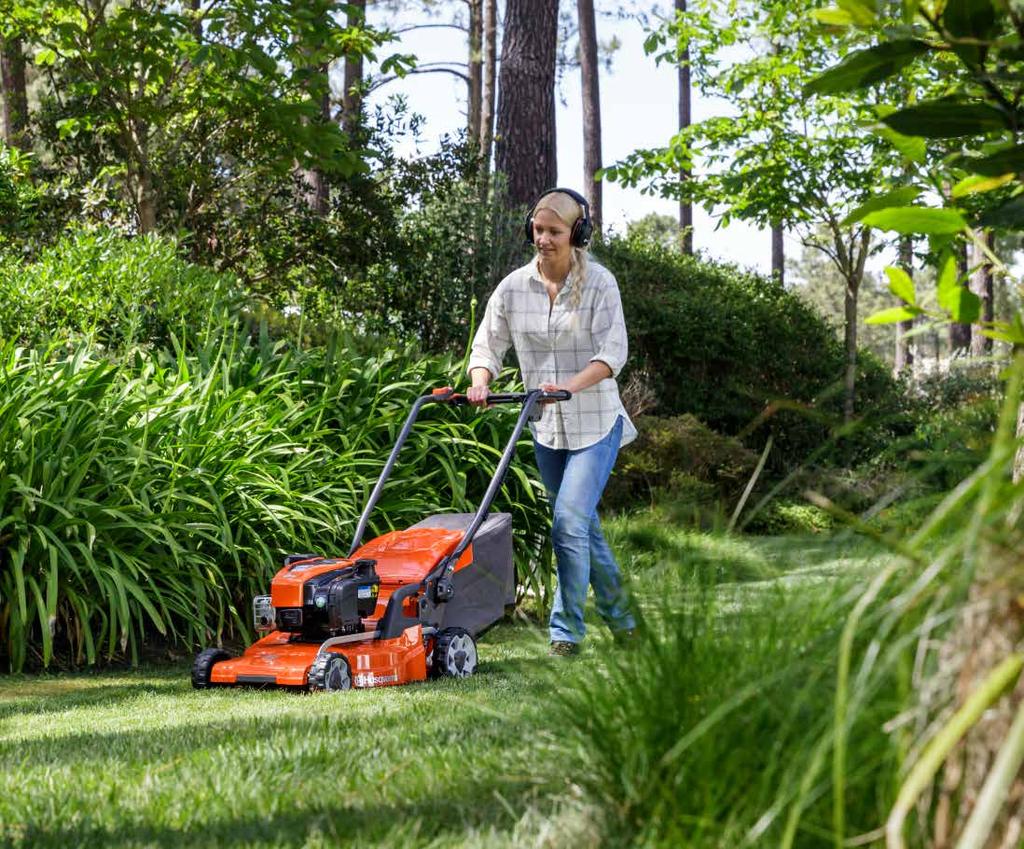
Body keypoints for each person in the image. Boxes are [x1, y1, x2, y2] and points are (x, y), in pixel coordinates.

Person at [466, 187, 637, 656]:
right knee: (581, 526)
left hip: (596, 423)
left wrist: (569, 385)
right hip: (546, 427)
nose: (543, 239)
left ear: (577, 234)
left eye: (554, 231)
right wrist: (480, 380)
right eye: (538, 229)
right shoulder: (512, 288)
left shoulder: (600, 284)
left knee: (567, 523)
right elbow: (487, 345)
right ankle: (624, 622)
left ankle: (566, 633)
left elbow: (612, 353)